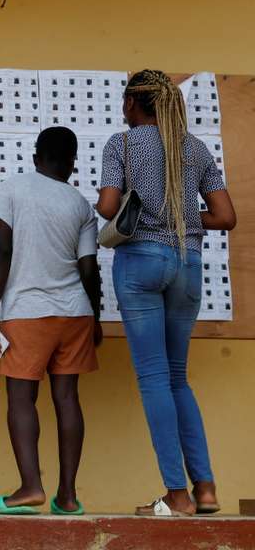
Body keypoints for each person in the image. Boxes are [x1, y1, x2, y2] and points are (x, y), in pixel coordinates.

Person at [96, 69, 236, 517]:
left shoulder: (123, 143)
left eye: (125, 102)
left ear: (135, 104)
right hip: (187, 265)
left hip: (140, 262)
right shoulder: (195, 149)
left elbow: (107, 206)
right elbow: (225, 215)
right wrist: (183, 216)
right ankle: (207, 488)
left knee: (154, 379)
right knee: (178, 378)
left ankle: (177, 495)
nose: (123, 110)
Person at [0, 127, 102, 516]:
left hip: (27, 312)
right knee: (67, 399)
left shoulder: (13, 188)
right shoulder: (81, 204)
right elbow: (88, 269)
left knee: (21, 399)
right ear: (72, 162)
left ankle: (31, 487)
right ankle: (67, 496)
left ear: (36, 158)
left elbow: (2, 248)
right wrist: (95, 318)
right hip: (75, 313)